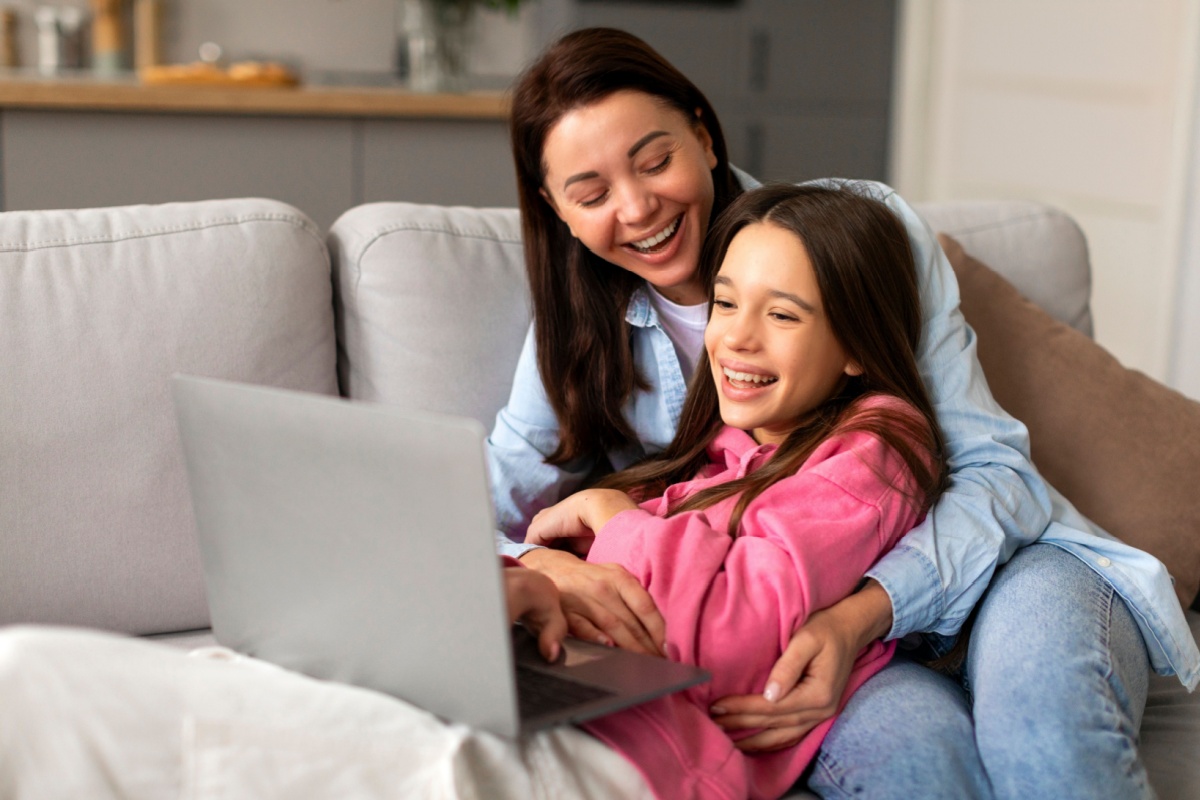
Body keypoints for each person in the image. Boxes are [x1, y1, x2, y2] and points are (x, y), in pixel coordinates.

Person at [489, 26, 1198, 799]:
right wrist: (544, 565)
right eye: (590, 194)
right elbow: (487, 512)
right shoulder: (574, 336)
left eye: (656, 160)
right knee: (917, 761)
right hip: (821, 644)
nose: (637, 206)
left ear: (703, 134)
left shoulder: (856, 237)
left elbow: (998, 474)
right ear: (555, 208)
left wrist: (861, 614)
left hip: (1004, 568)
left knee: (1045, 734)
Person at [523, 182, 948, 799]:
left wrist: (615, 521)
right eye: (725, 304)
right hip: (567, 686)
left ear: (856, 342)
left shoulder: (874, 450)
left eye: (781, 314)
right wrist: (541, 568)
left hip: (644, 744)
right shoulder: (728, 450)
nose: (737, 338)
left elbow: (729, 642)